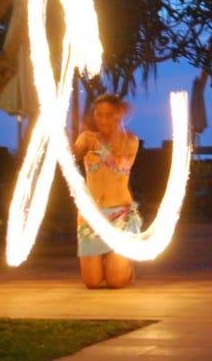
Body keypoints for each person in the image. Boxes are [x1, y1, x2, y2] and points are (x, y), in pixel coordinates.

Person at [73, 93, 142, 289]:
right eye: (98, 114)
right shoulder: (87, 138)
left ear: (118, 115)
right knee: (92, 283)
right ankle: (109, 262)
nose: (103, 120)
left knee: (116, 281)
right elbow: (71, 156)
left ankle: (124, 267)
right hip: (90, 216)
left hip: (120, 214)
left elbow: (121, 159)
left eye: (108, 114)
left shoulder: (129, 141)